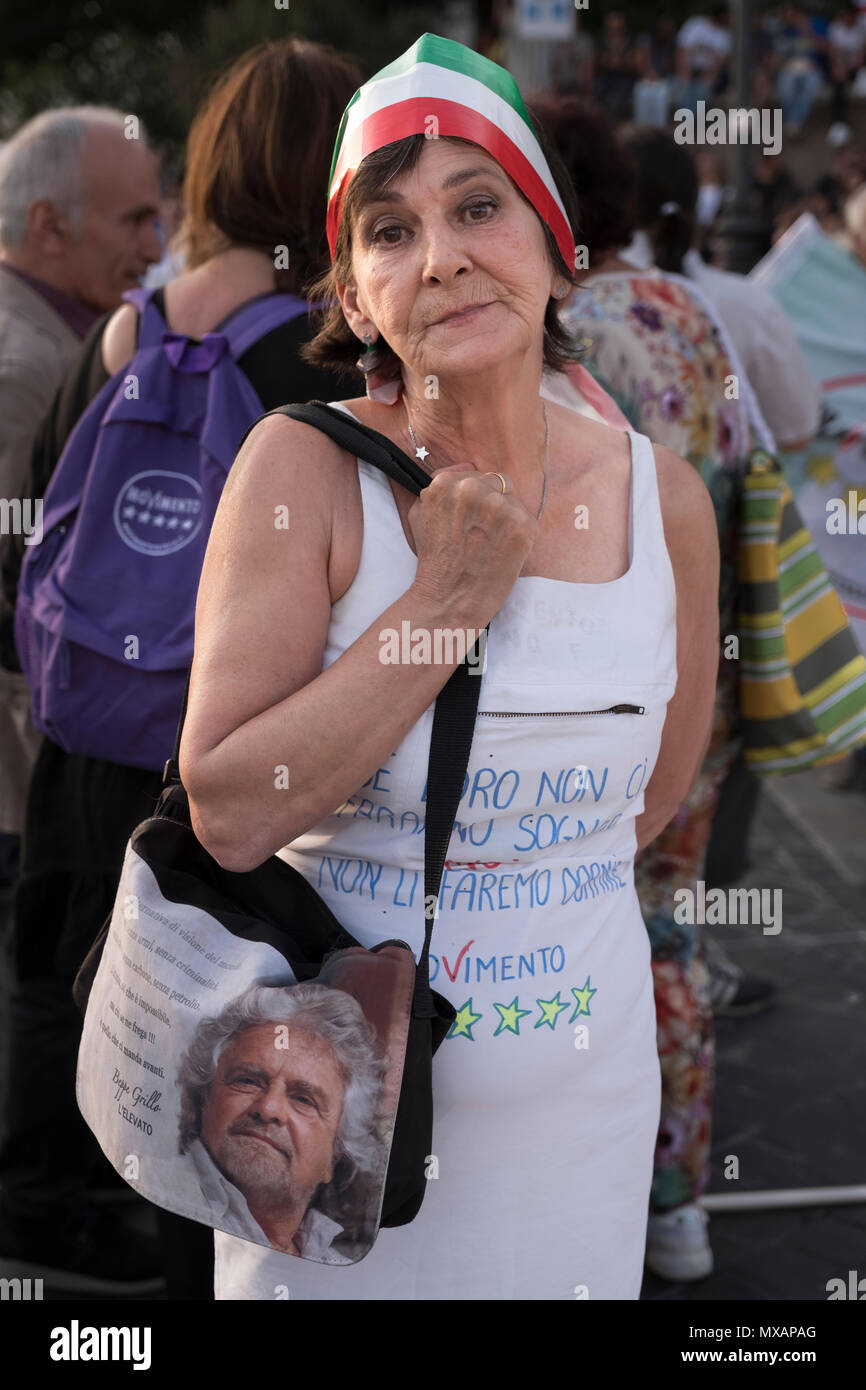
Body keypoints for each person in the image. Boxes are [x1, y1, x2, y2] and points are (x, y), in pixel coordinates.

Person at [180, 32, 720, 1301]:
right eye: (388, 230)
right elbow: (231, 805)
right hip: (324, 1124)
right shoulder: (297, 472)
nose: (442, 257)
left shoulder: (663, 501)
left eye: (478, 206)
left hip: (578, 1108)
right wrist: (444, 603)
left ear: (549, 240)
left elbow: (644, 808)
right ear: (355, 298)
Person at [0, 37, 360, 1298]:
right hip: (216, 747)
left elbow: (35, 528)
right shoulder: (314, 359)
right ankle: (183, 1243)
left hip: (83, 727)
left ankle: (45, 1217)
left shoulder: (120, 333)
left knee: (57, 973)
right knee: (218, 1003)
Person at [533, 101, 772, 1282]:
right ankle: (678, 1202)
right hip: (707, 667)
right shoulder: (687, 313)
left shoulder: (552, 324)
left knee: (563, 918)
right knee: (668, 933)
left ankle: (578, 1180)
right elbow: (742, 468)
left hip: (588, 679)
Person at [0, 108, 161, 887]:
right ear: (48, 226)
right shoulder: (29, 367)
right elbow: (14, 599)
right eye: (134, 219)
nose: (155, 250)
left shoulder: (54, 338)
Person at [178, 984, 385, 1262]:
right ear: (205, 1099)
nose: (268, 1108)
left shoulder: (343, 1267)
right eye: (248, 1080)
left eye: (303, 1099)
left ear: (333, 1157)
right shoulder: (150, 1184)